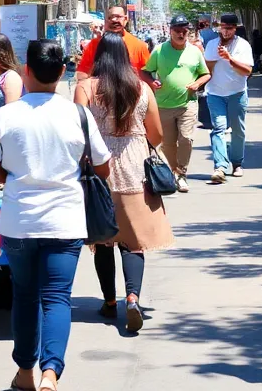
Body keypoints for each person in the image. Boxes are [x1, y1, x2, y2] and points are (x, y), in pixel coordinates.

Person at [0, 40, 112, 391]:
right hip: (65, 221)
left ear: (26, 71)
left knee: (25, 295)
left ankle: (25, 373)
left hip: (19, 220)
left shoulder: (7, 115)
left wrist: (15, 176)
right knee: (57, 297)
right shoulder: (77, 115)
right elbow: (103, 167)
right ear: (63, 72)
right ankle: (51, 374)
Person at [76, 32, 174, 332]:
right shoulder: (142, 88)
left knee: (102, 239)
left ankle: (109, 302)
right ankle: (132, 298)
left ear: (98, 56)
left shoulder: (86, 88)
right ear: (125, 57)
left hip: (98, 167)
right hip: (135, 167)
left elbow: (78, 130)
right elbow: (157, 134)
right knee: (134, 241)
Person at [141, 15, 210, 192]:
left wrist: (197, 84)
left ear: (188, 32)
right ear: (170, 31)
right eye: (177, 31)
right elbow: (145, 72)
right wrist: (152, 82)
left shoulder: (195, 51)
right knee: (168, 143)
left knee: (186, 138)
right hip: (163, 104)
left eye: (184, 31)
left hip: (187, 103)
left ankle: (181, 173)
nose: (181, 34)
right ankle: (174, 172)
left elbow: (206, 74)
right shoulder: (159, 50)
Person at [204, 13, 255, 184]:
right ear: (219, 27)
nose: (226, 31)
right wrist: (215, 59)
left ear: (235, 29)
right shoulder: (211, 44)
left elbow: (247, 71)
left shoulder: (243, 45)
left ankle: (237, 163)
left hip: (237, 93)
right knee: (218, 128)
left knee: (237, 130)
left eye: (230, 28)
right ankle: (220, 167)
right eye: (224, 28)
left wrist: (229, 58)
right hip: (215, 93)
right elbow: (206, 68)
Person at [77, 5, 150, 78]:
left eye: (118, 17)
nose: (114, 20)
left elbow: (146, 75)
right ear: (105, 21)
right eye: (110, 17)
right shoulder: (94, 44)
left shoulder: (139, 46)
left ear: (125, 19)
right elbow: (83, 72)